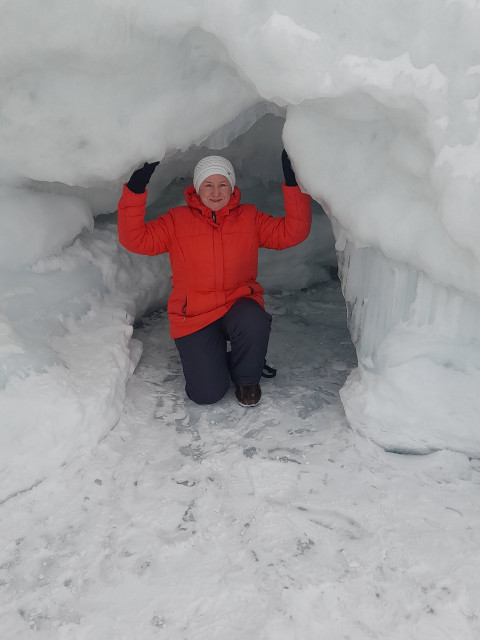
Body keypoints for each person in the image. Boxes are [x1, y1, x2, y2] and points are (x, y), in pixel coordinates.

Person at [117, 150, 311, 407]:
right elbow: (136, 239)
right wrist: (135, 189)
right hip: (194, 315)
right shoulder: (176, 221)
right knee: (206, 394)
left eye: (223, 184)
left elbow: (292, 232)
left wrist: (292, 183)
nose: (216, 192)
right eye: (208, 184)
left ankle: (247, 377)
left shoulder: (250, 218)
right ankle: (218, 359)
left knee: (253, 319)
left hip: (238, 306)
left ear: (232, 188)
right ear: (197, 188)